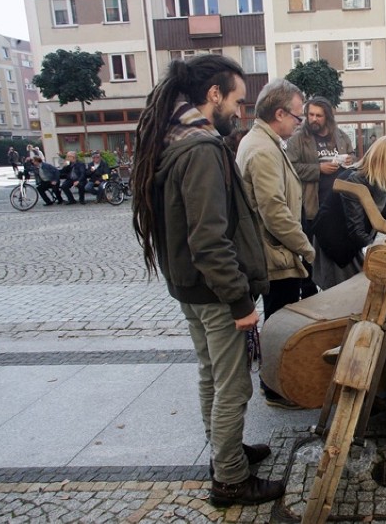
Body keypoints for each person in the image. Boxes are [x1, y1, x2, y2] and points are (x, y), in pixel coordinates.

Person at [130, 54, 283, 507]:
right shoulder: (200, 148)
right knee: (232, 385)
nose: (240, 111)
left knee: (211, 377)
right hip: (215, 294)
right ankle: (231, 480)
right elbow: (210, 240)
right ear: (213, 95)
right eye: (236, 100)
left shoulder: (173, 136)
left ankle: (226, 455)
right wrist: (240, 302)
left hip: (191, 288)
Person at [235, 78, 314, 410]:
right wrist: (306, 248)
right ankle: (275, 388)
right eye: (298, 117)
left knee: (279, 320)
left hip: (277, 252)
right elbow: (274, 212)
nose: (300, 124)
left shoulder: (264, 142)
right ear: (279, 113)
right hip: (276, 256)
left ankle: (276, 384)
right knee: (279, 324)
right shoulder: (263, 149)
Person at [312, 136, 386, 290]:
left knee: (357, 291)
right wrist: (383, 253)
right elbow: (356, 229)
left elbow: (385, 214)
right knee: (343, 293)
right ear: (382, 160)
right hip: (334, 243)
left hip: (353, 241)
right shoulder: (354, 180)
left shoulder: (381, 179)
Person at [286, 96, 354, 298]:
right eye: (310, 115)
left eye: (318, 115)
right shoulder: (298, 138)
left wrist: (350, 160)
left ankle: (336, 293)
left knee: (335, 253)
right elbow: (291, 167)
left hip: (338, 208)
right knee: (310, 255)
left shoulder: (340, 136)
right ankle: (309, 298)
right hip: (311, 208)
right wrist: (318, 169)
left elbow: (352, 157)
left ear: (327, 117)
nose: (313, 119)